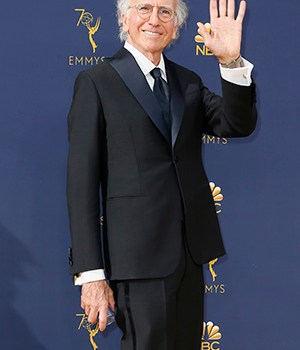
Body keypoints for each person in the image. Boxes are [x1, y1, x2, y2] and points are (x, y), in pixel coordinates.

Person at [66, 0, 257, 349]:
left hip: (189, 253)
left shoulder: (188, 81)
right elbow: (80, 185)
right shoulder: (96, 81)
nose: (154, 19)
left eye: (165, 12)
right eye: (144, 9)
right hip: (137, 260)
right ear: (125, 18)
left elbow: (237, 123)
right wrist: (91, 274)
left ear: (176, 26)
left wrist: (230, 61)